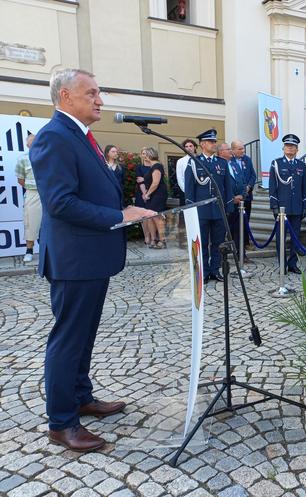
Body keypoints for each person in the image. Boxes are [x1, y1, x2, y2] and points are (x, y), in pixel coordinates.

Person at [30, 68, 154, 452]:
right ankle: (61, 423)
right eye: (92, 93)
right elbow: (60, 203)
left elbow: (92, 190)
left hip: (90, 257)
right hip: (73, 259)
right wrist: (120, 217)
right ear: (66, 96)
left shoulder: (78, 135)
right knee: (68, 339)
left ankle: (80, 396)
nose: (100, 100)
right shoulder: (54, 137)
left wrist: (123, 207)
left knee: (84, 337)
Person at [185, 129, 232, 283]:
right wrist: (191, 210)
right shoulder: (194, 162)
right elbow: (190, 188)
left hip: (218, 211)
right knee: (202, 242)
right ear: (202, 144)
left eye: (214, 141)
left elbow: (227, 187)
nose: (214, 144)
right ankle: (203, 272)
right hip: (201, 211)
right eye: (211, 142)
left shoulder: (222, 163)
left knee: (218, 243)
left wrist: (228, 206)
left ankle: (215, 269)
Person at [268, 134, 306, 274]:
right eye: (287, 146)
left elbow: (305, 187)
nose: (290, 148)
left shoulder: (301, 165)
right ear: (283, 148)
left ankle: (292, 263)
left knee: (295, 238)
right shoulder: (276, 163)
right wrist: (273, 205)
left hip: (296, 207)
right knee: (281, 238)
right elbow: (272, 186)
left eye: (293, 146)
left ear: (297, 149)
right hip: (282, 208)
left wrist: (305, 206)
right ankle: (282, 264)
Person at [15, 133, 41, 263]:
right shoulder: (23, 159)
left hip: (49, 194)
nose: (35, 143)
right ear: (27, 145)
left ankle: (47, 250)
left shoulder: (48, 156)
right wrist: (32, 187)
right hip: (32, 192)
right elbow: (20, 179)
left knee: (50, 222)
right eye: (32, 142)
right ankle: (29, 251)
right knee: (31, 222)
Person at [230, 140, 257, 254]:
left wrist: (249, 186)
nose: (243, 150)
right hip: (235, 199)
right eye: (240, 149)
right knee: (235, 223)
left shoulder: (247, 159)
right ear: (233, 150)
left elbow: (253, 175)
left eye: (243, 148)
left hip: (247, 197)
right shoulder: (229, 161)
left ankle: (245, 243)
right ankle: (233, 243)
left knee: (246, 220)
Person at [140, 147, 168, 248]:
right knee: (150, 216)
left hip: (158, 194)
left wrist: (147, 194)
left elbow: (155, 183)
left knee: (156, 216)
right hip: (152, 194)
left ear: (149, 155)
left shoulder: (157, 166)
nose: (143, 156)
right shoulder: (152, 166)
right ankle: (154, 239)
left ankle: (162, 240)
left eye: (145, 154)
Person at [222, 142, 245, 258]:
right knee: (223, 232)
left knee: (238, 231)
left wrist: (242, 195)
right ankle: (222, 257)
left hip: (238, 205)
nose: (231, 151)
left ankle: (239, 255)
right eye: (228, 149)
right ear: (221, 152)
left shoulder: (234, 164)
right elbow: (220, 186)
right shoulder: (220, 165)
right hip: (226, 205)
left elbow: (242, 180)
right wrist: (231, 199)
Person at [175, 138, 197, 206]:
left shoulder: (200, 159)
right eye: (186, 146)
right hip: (186, 192)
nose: (188, 148)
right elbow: (180, 178)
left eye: (190, 146)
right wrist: (187, 191)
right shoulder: (180, 161)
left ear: (195, 147)